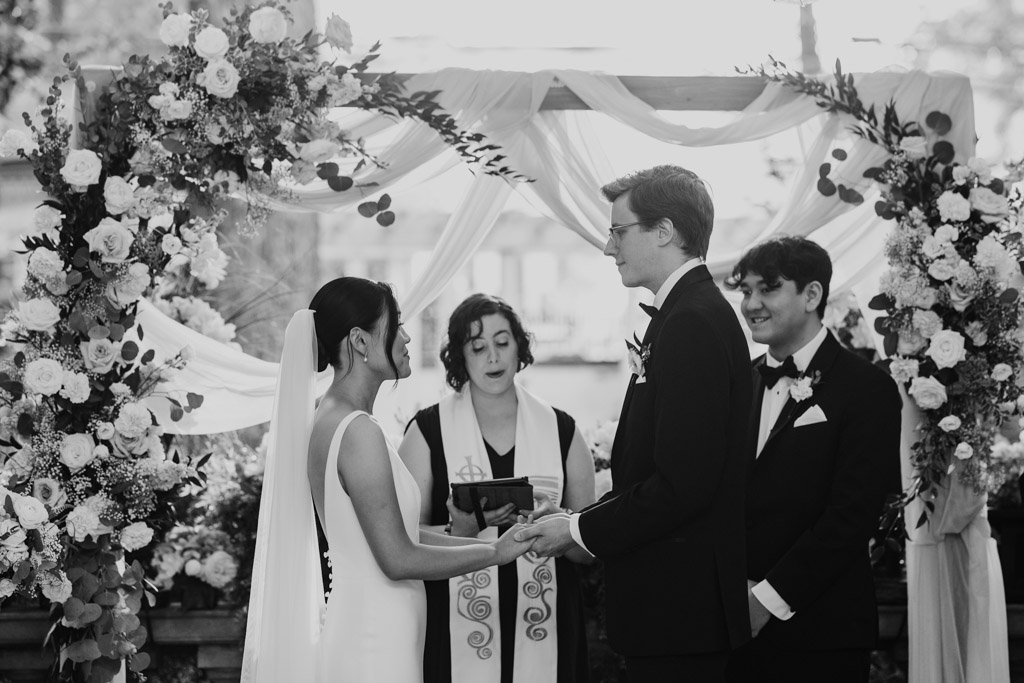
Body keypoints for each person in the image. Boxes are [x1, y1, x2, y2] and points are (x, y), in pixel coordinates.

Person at [515, 165, 753, 681]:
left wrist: (577, 527)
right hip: (674, 611)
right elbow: (656, 467)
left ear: (664, 231)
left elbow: (683, 485)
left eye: (619, 231)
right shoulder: (684, 314)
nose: (607, 247)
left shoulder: (692, 321)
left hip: (680, 610)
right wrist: (572, 517)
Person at [241, 277, 535, 683]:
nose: (407, 336)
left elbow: (397, 534)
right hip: (375, 642)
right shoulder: (357, 430)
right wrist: (494, 554)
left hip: (376, 629)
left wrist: (492, 540)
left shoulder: (334, 417)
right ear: (360, 342)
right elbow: (397, 558)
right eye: (396, 324)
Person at [723, 236, 902, 683]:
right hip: (731, 631)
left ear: (812, 294)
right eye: (745, 291)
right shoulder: (737, 383)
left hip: (822, 634)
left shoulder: (867, 389)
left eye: (768, 288)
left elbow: (851, 516)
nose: (751, 304)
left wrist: (766, 599)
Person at [399, 293, 595, 683]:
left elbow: (589, 552)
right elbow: (402, 538)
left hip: (549, 623)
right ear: (460, 356)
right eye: (478, 346)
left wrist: (562, 525)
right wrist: (461, 534)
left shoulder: (563, 431)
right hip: (456, 624)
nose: (493, 356)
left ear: (519, 347)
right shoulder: (426, 432)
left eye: (503, 342)